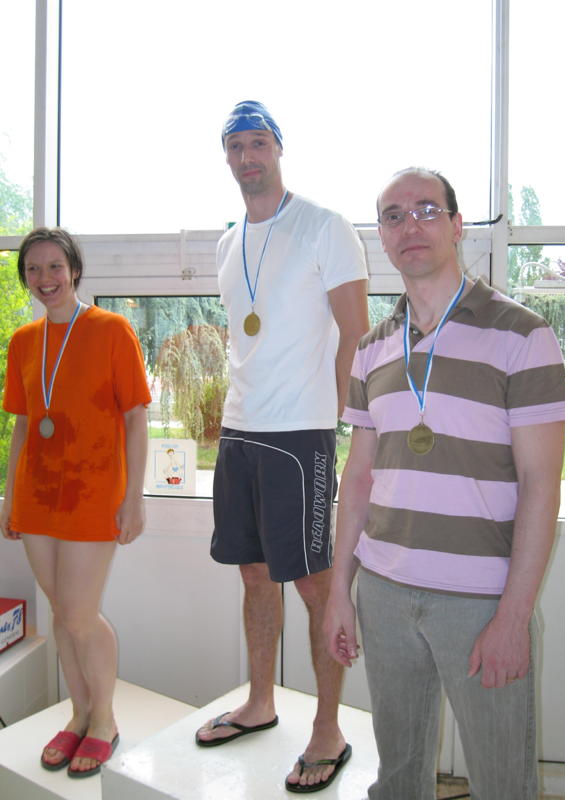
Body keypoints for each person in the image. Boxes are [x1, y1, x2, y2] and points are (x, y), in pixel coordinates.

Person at [324, 167, 565, 800]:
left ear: (458, 226)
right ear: (382, 237)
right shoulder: (372, 349)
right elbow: (359, 478)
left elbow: (541, 485)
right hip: (384, 593)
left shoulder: (523, 335)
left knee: (503, 783)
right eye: (393, 216)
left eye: (427, 210)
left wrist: (514, 616)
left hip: (481, 601)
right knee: (398, 778)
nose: (410, 225)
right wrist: (338, 592)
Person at [194, 101, 369, 793]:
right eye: (236, 145)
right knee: (253, 575)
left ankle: (328, 729)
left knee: (316, 584)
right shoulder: (227, 243)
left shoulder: (325, 226)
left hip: (301, 435)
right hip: (241, 431)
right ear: (227, 156)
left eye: (258, 143)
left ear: (278, 148)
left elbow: (355, 332)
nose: (248, 157)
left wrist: (339, 424)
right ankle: (260, 701)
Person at [0, 227, 151, 778]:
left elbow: (135, 418)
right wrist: (9, 496)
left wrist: (133, 498)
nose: (45, 279)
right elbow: (22, 426)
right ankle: (78, 713)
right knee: (62, 613)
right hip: (37, 496)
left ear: (75, 271)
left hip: (93, 493)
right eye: (33, 269)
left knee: (81, 614)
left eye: (54, 267)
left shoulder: (111, 330)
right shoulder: (24, 342)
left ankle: (104, 720)